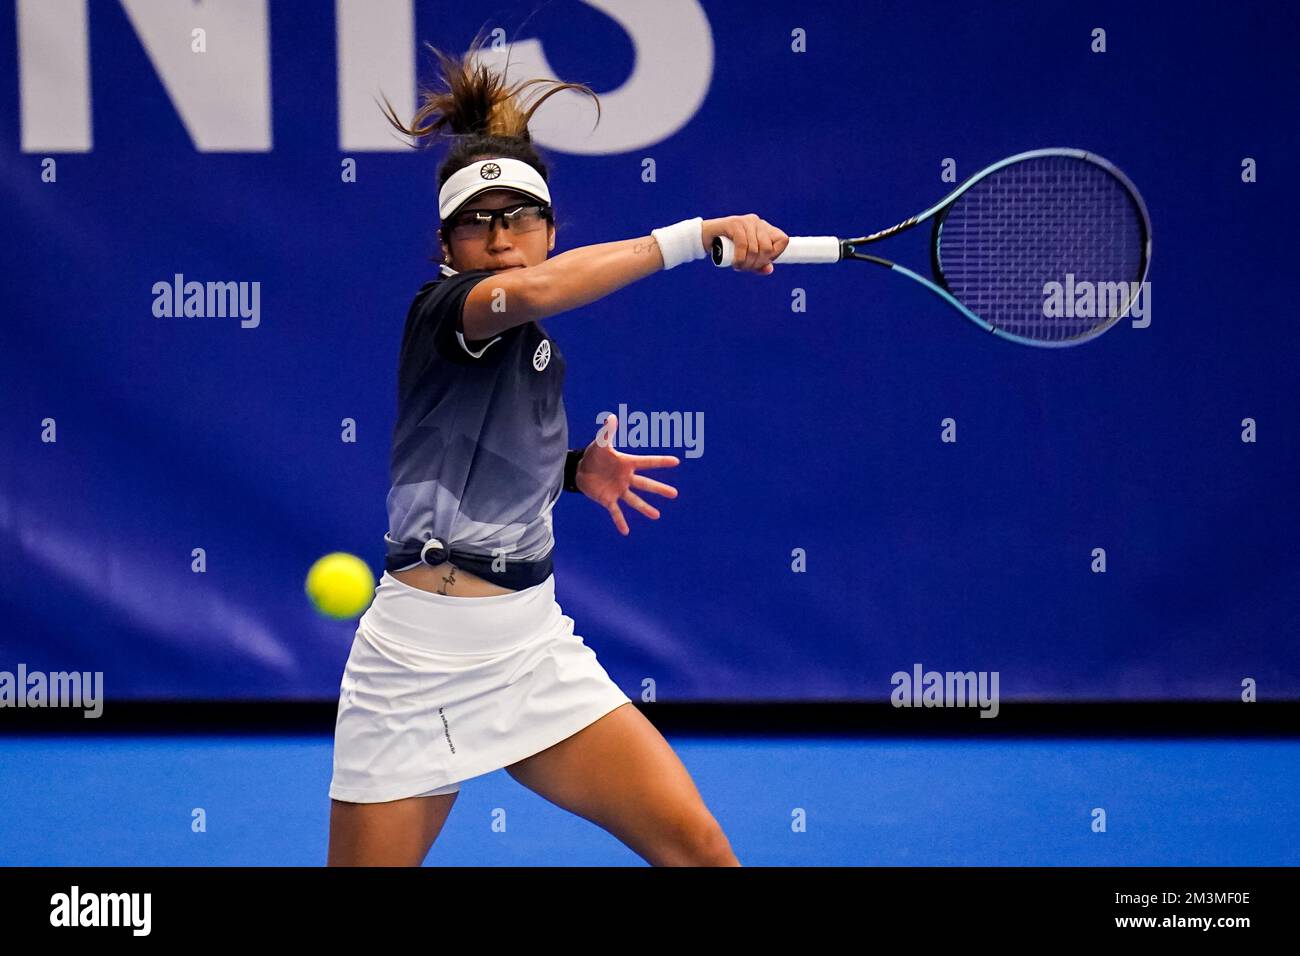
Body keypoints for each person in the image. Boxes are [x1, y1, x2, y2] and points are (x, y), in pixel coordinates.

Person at [327, 34, 788, 866]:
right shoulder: (449, 312)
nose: (500, 237)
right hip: (413, 661)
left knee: (700, 850)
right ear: (448, 247)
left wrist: (574, 470)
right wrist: (691, 238)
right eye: (476, 224)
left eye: (519, 219)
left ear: (548, 228)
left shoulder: (542, 352)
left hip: (531, 646)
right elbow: (538, 291)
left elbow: (492, 451)